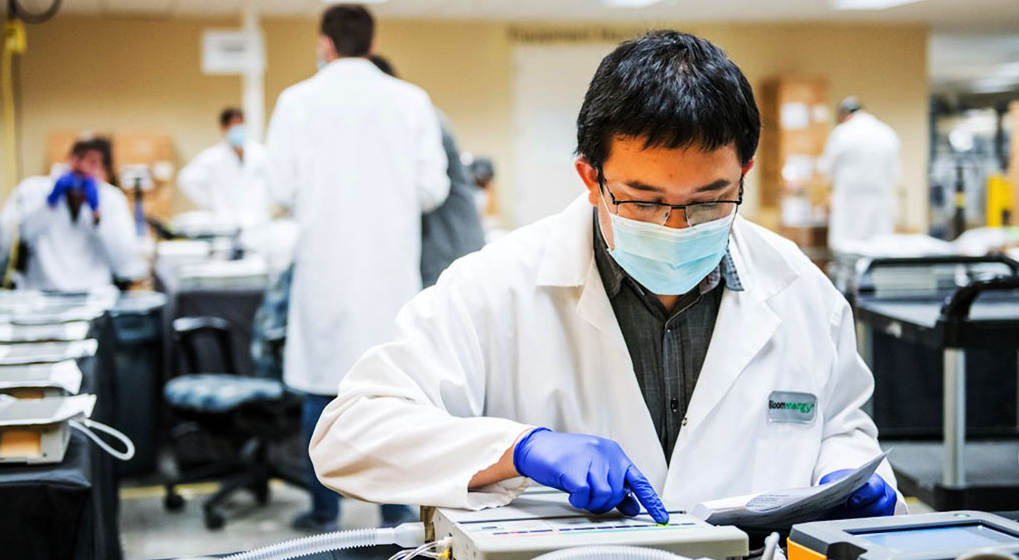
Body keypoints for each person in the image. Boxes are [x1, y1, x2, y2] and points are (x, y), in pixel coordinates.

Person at [310, 31, 904, 523]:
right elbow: (348, 434)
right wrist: (519, 450)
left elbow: (841, 424)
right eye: (644, 201)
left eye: (708, 200)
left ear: (743, 172)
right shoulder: (492, 288)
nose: (676, 226)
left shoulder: (801, 290)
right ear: (590, 178)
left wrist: (845, 474)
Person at [265, 5, 449, 531]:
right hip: (389, 272)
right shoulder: (410, 101)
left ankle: (323, 512)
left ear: (325, 44)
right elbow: (433, 189)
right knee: (393, 396)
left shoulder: (296, 101)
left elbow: (280, 189)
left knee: (321, 394)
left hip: (323, 273)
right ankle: (395, 515)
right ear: (372, 44)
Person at [369, 54, 485, 287]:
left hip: (449, 245)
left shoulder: (422, 118)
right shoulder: (408, 119)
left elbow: (428, 189)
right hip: (438, 246)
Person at [0, 139, 145, 291]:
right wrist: (48, 204)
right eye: (79, 158)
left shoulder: (112, 199)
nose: (83, 167)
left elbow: (124, 257)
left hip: (94, 292)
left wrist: (97, 215)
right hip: (42, 290)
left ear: (105, 172)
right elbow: (13, 239)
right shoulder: (32, 190)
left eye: (93, 162)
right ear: (68, 159)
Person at [820, 96, 901, 250]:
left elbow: (827, 168)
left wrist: (825, 195)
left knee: (849, 247)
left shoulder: (843, 133)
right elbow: (895, 172)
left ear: (843, 115)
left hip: (850, 202)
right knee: (879, 248)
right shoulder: (886, 133)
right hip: (880, 201)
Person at [178, 107, 271, 228]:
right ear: (224, 128)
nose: (237, 129)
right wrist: (212, 203)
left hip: (257, 220)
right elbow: (185, 179)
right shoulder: (212, 158)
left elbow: (276, 181)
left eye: (240, 124)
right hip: (225, 222)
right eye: (233, 126)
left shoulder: (261, 154)